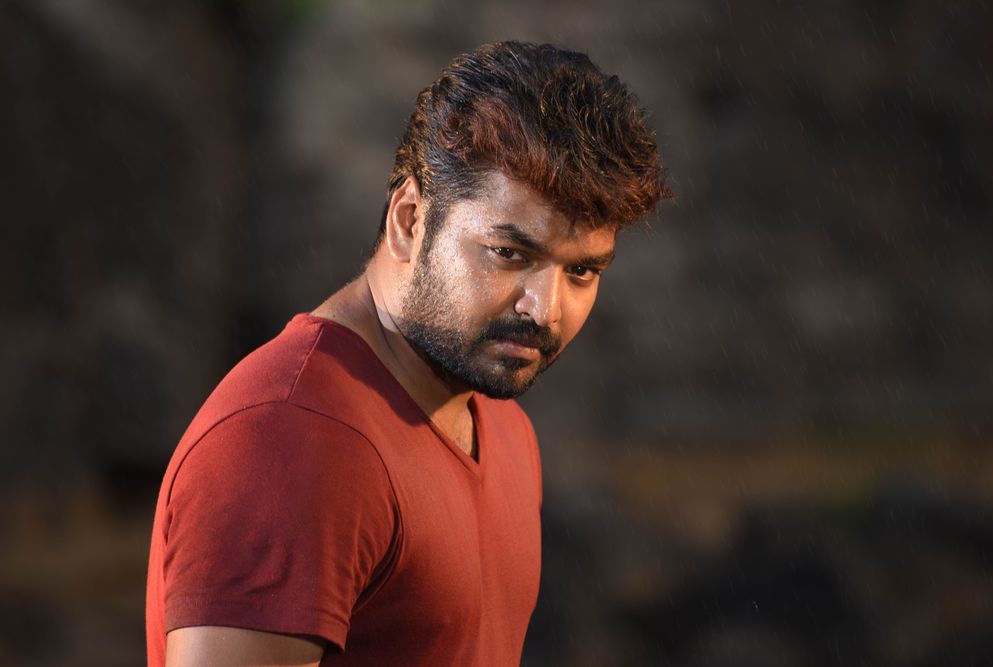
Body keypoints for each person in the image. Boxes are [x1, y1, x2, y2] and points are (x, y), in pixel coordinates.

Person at [146, 40, 669, 666]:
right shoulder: (289, 440)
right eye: (509, 254)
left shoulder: (502, 425)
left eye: (581, 271)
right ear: (410, 219)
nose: (545, 309)